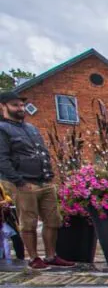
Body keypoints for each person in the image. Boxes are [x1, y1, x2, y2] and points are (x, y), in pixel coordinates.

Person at [0, 92, 73, 269]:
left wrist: (50, 176)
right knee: (28, 222)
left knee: (53, 220)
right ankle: (34, 258)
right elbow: (2, 159)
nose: (20, 108)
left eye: (22, 105)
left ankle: (51, 256)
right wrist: (19, 182)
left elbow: (43, 152)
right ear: (3, 106)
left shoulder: (31, 128)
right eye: (15, 105)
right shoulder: (2, 129)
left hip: (44, 180)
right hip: (23, 182)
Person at [0, 180, 25, 260]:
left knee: (16, 238)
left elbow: (8, 196)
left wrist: (7, 202)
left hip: (6, 216)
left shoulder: (3, 182)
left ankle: (20, 258)